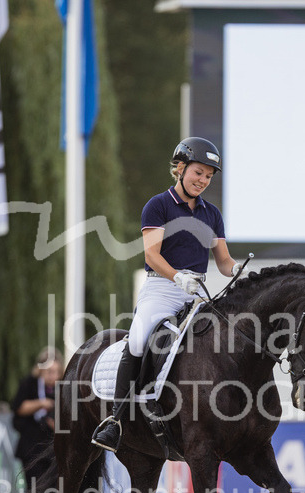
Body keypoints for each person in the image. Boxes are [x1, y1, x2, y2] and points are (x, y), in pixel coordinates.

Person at [91, 137, 248, 452]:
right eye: (198, 172)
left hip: (196, 292)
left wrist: (239, 270)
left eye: (208, 176)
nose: (203, 180)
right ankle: (115, 421)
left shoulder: (212, 214)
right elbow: (152, 255)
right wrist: (177, 276)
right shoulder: (159, 205)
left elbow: (223, 261)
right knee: (138, 341)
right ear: (180, 168)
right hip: (161, 289)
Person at [11, 346, 63, 493]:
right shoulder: (29, 385)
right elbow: (18, 408)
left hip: (54, 449)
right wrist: (42, 404)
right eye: (48, 371)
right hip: (31, 449)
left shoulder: (63, 388)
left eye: (55, 372)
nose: (52, 376)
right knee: (32, 492)